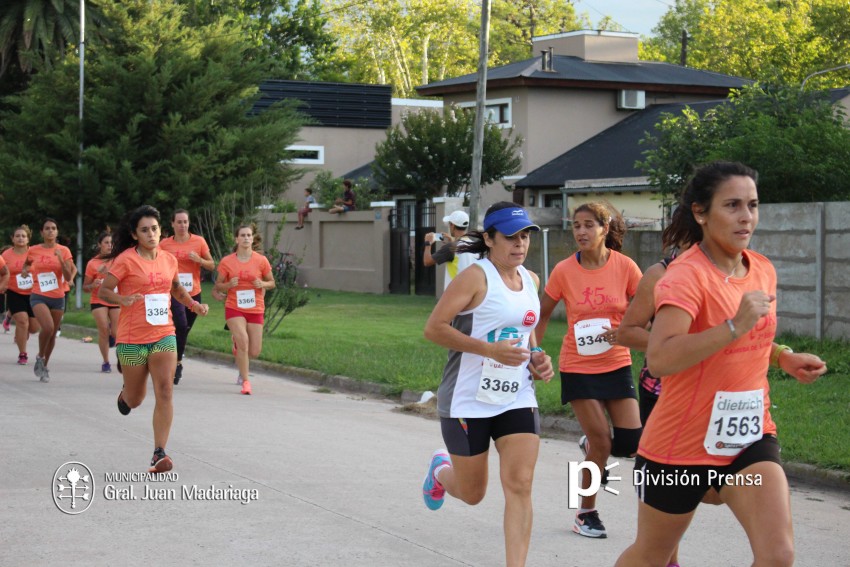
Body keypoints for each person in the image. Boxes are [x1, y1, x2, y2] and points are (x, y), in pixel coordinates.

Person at [614, 161, 828, 567]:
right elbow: (659, 359)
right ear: (701, 212)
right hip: (679, 450)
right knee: (651, 555)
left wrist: (784, 356)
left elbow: (752, 336)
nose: (746, 217)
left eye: (753, 205)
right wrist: (733, 325)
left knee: (778, 555)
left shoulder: (761, 269)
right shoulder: (684, 277)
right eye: (732, 205)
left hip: (748, 437)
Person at [421, 202, 554, 567]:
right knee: (473, 493)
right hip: (467, 399)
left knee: (520, 484)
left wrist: (538, 357)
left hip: (516, 396)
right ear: (490, 239)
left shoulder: (531, 280)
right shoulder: (476, 277)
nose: (520, 244)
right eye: (510, 237)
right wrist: (487, 349)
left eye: (525, 236)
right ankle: (440, 471)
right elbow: (434, 328)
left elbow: (525, 338)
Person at [535, 201, 643, 539]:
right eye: (576, 225)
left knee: (629, 443)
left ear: (605, 229)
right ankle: (585, 512)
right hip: (578, 366)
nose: (581, 231)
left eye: (588, 225)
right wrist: (534, 353)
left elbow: (648, 310)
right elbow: (540, 315)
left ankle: (591, 448)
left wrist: (627, 331)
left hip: (616, 363)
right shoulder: (565, 270)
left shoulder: (626, 267)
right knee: (601, 443)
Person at [98, 205, 210, 473]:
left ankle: (159, 453)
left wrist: (193, 305)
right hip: (132, 339)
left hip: (163, 335)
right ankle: (126, 396)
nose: (151, 234)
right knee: (136, 399)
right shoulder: (125, 259)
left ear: (162, 230)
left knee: (166, 390)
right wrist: (122, 299)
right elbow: (104, 291)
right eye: (145, 230)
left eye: (155, 229)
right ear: (135, 235)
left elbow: (176, 288)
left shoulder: (169, 259)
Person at [214, 224, 275, 395]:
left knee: (254, 352)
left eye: (249, 235)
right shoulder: (227, 261)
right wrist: (228, 285)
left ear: (253, 238)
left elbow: (272, 282)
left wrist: (262, 283)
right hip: (234, 307)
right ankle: (246, 381)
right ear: (237, 239)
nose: (246, 238)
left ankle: (238, 348)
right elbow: (218, 285)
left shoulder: (261, 260)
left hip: (255, 307)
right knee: (244, 342)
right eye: (243, 235)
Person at [159, 209, 215, 385]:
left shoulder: (198, 241)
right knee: (181, 326)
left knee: (184, 328)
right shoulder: (164, 244)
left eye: (185, 222)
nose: (182, 225)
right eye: (179, 222)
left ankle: (172, 355)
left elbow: (212, 265)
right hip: (174, 292)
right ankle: (177, 363)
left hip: (193, 291)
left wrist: (199, 260)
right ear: (172, 224)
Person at [21, 219, 77, 382]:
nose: (50, 231)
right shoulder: (34, 250)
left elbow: (67, 277)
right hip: (39, 294)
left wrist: (60, 260)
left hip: (58, 296)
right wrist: (25, 271)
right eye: (47, 228)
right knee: (48, 327)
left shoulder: (64, 251)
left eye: (53, 228)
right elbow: (27, 264)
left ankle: (43, 362)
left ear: (57, 232)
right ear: (42, 232)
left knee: (52, 334)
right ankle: (40, 356)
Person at [83, 230, 120, 373]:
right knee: (104, 329)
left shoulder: (119, 260)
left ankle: (122, 358)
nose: (110, 246)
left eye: (112, 243)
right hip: (98, 299)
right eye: (106, 243)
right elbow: (85, 287)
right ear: (99, 245)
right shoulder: (93, 263)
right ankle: (106, 362)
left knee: (117, 333)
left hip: (115, 299)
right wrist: (93, 285)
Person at [2, 226, 40, 364]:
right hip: (14, 292)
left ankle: (21, 335)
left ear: (28, 239)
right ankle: (22, 354)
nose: (20, 238)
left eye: (23, 236)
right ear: (12, 238)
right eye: (17, 236)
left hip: (34, 293)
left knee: (34, 328)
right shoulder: (6, 255)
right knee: (22, 321)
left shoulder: (34, 253)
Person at [423, 210, 475, 290]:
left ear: (452, 225)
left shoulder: (451, 247)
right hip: (470, 294)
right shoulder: (474, 245)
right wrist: (452, 242)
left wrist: (428, 243)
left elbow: (427, 262)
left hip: (454, 296)